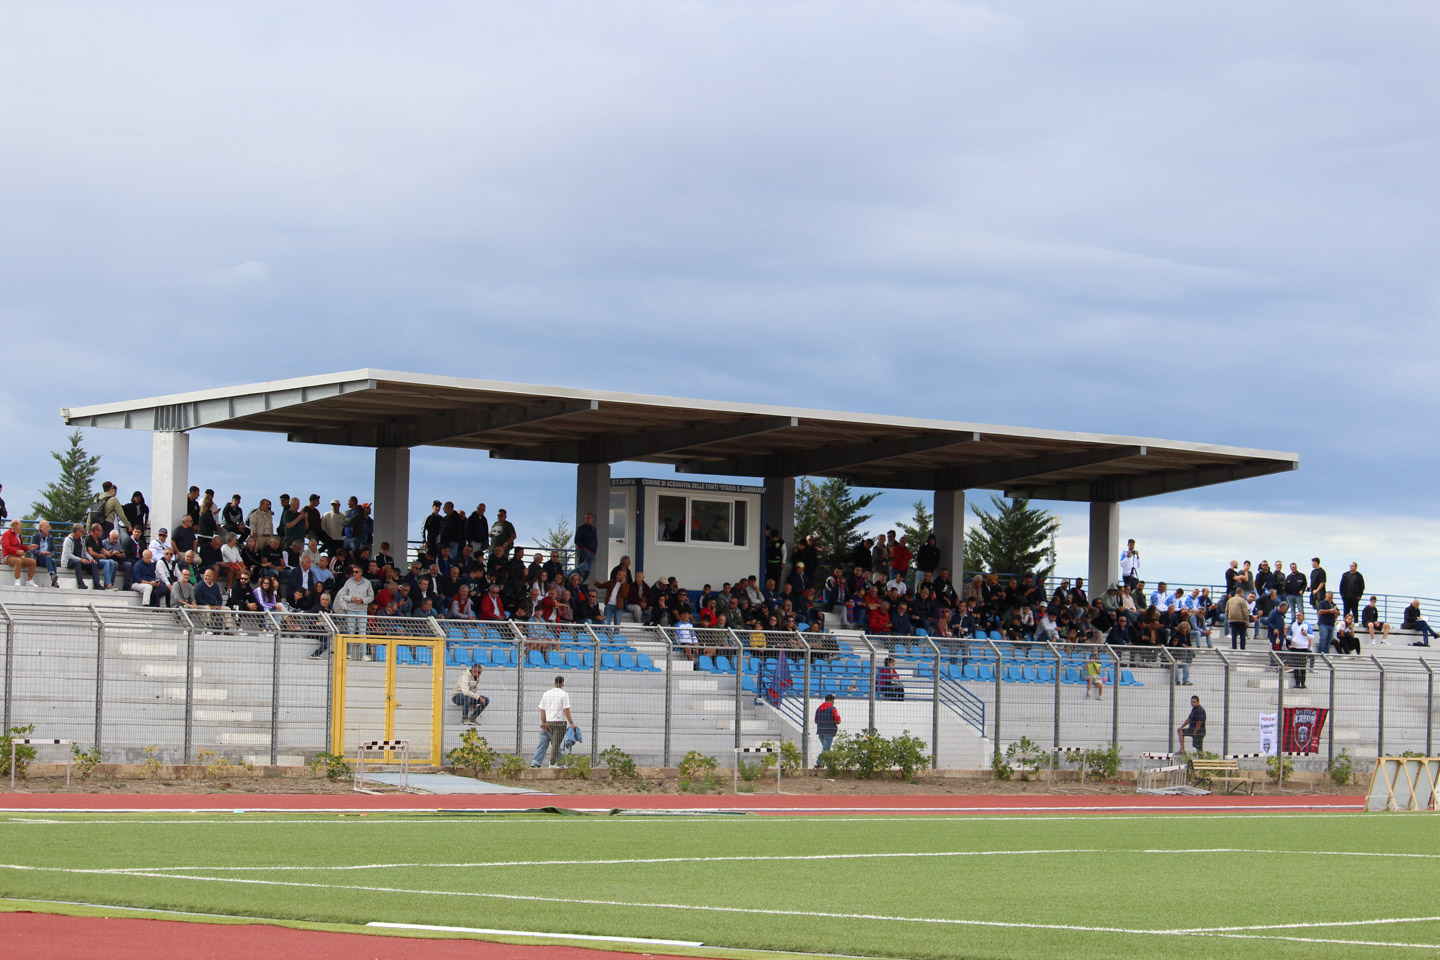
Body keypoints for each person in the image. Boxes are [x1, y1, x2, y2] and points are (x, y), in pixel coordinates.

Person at [530, 675, 577, 768]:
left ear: (555, 683)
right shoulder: (564, 694)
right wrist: (571, 722)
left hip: (547, 722)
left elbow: (542, 709)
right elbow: (566, 709)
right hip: (558, 722)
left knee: (543, 743)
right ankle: (553, 762)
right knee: (556, 744)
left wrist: (543, 722)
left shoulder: (546, 693)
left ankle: (536, 761)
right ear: (563, 684)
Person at [61, 523, 101, 588]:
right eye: (82, 531)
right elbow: (68, 554)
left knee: (93, 562)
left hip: (80, 560)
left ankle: (97, 584)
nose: (83, 533)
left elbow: (85, 552)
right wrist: (80, 559)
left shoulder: (81, 540)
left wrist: (90, 558)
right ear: (76, 531)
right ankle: (80, 583)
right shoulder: (68, 540)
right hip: (69, 561)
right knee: (77, 562)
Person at [1, 519, 38, 586]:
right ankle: (17, 580)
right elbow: (6, 547)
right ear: (15, 526)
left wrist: (28, 547)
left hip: (18, 556)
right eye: (20, 525)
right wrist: (16, 551)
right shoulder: (6, 535)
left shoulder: (18, 536)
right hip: (8, 557)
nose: (21, 527)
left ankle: (29, 580)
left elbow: (21, 546)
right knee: (18, 561)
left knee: (32, 561)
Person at [1287, 612, 1313, 688]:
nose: (1298, 616)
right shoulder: (1293, 625)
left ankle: (1303, 683)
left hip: (1303, 648)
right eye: (1297, 615)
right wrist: (1290, 641)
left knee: (1302, 667)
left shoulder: (1307, 625)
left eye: (1299, 615)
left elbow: (1312, 636)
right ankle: (1297, 683)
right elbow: (1289, 635)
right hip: (1295, 648)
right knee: (1296, 667)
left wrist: (1306, 635)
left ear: (1303, 617)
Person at [814, 693, 841, 763]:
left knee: (826, 749)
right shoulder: (833, 709)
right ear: (831, 700)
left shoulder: (818, 709)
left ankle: (830, 765)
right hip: (829, 731)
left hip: (820, 731)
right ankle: (818, 763)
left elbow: (816, 720)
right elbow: (837, 720)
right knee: (826, 749)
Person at [30, 520, 58, 586]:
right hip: (38, 558)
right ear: (41, 528)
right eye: (46, 527)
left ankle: (54, 581)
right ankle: (52, 574)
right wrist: (41, 553)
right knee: (47, 557)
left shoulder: (50, 537)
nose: (48, 529)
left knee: (53, 560)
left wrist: (52, 554)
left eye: (49, 527)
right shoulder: (35, 537)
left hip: (48, 558)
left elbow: (54, 549)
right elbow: (32, 549)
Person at [574, 511, 598, 578]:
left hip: (592, 553)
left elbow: (595, 541)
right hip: (584, 552)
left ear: (592, 519)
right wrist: (583, 548)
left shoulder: (593, 529)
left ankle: (581, 584)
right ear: (585, 519)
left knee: (588, 571)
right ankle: (578, 584)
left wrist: (594, 552)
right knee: (582, 570)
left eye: (589, 518)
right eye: (587, 518)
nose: (588, 519)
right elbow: (576, 540)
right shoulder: (581, 528)